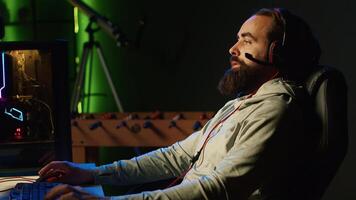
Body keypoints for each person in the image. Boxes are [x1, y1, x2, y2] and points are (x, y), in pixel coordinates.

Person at [40, 8, 321, 200]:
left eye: (246, 41)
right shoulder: (243, 103)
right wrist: (89, 174)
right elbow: (176, 156)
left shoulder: (275, 109)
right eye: (237, 40)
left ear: (276, 53)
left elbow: (217, 190)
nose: (232, 50)